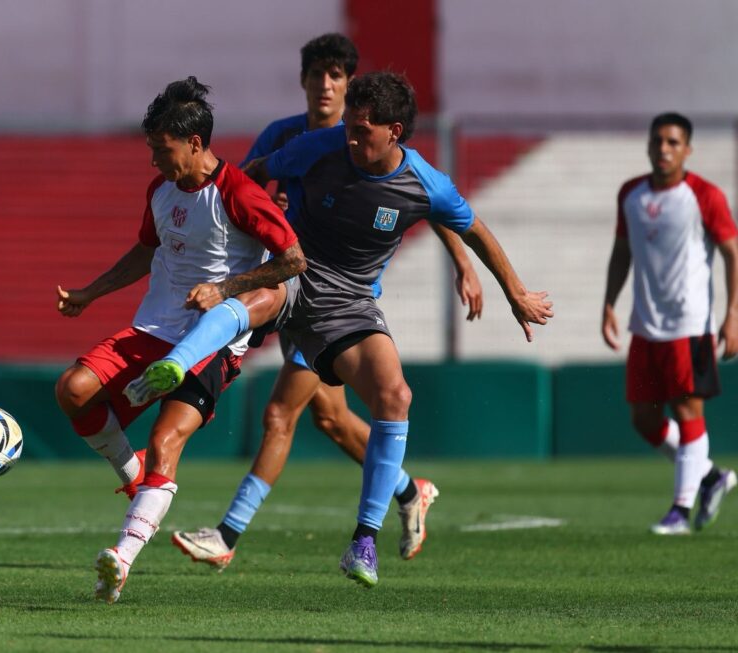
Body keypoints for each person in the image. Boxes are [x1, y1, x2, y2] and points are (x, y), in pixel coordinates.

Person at [167, 34, 483, 572]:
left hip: (331, 302)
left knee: (278, 414)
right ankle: (409, 492)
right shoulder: (286, 136)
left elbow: (432, 203)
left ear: (351, 88)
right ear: (305, 81)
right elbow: (244, 190)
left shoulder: (368, 145)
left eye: (337, 75)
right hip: (288, 280)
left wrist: (464, 261)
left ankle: (227, 534)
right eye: (317, 73)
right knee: (332, 421)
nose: (326, 84)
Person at [232, 70, 550, 588]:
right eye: (349, 129)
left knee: (391, 397)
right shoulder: (320, 146)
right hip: (291, 282)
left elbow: (475, 230)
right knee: (292, 407)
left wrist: (514, 292)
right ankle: (183, 499)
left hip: (348, 305)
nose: (351, 138)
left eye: (362, 131)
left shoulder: (425, 184)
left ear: (395, 132)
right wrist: (265, 211)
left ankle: (362, 540)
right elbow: (254, 174)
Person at [53, 77, 305, 604]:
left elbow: (292, 261)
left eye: (160, 149)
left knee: (167, 440)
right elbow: (147, 251)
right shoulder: (160, 191)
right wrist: (91, 293)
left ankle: (120, 560)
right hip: (153, 328)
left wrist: (226, 289)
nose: (153, 161)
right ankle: (132, 474)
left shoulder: (239, 192)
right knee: (73, 390)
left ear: (194, 143)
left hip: (214, 345)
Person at [602, 112, 738, 535]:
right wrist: (608, 303)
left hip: (690, 323)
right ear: (648, 145)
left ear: (687, 149)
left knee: (686, 408)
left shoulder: (705, 196)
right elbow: (622, 251)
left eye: (673, 142)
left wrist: (733, 315)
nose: (664, 148)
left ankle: (680, 509)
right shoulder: (631, 195)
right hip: (645, 325)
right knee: (643, 418)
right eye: (658, 140)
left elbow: (733, 253)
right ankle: (712, 476)